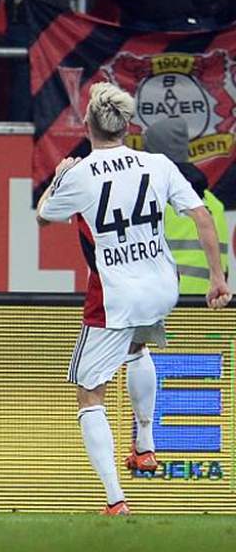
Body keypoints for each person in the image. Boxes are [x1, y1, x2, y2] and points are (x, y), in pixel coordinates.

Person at [37, 83, 231, 515]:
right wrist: (217, 277)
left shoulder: (82, 172)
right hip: (161, 286)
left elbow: (43, 216)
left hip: (115, 294)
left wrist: (58, 177)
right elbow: (200, 216)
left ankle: (114, 500)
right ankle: (145, 444)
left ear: (88, 125)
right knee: (138, 347)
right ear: (128, 126)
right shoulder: (157, 163)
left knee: (89, 394)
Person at [143, 118, 230, 293]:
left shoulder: (152, 199)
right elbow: (224, 270)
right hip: (207, 306)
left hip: (166, 305)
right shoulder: (214, 204)